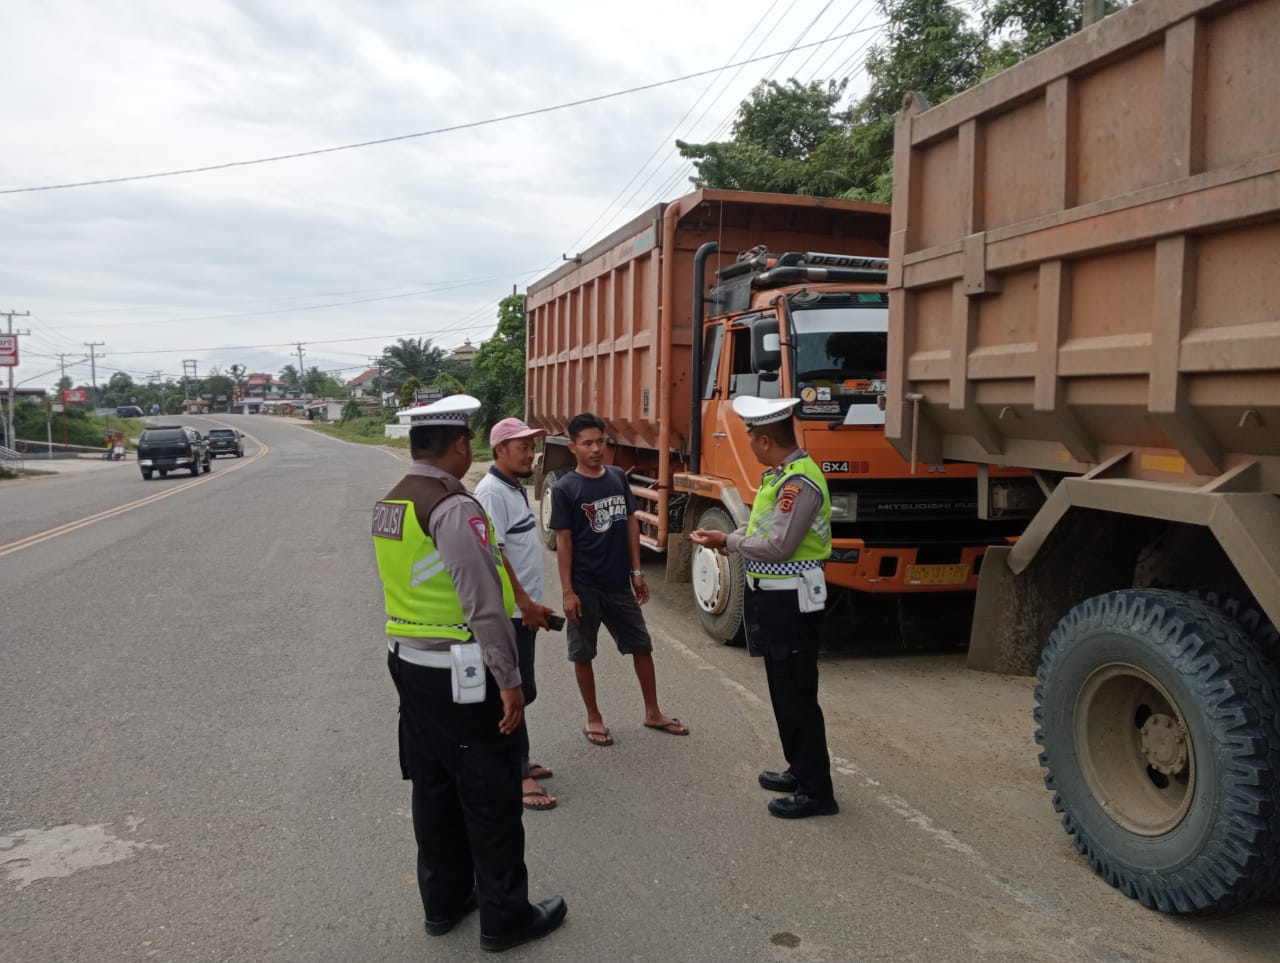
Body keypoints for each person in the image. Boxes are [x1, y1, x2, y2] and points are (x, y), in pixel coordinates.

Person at [372, 394, 567, 953]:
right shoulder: (454, 507)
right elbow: (482, 604)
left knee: (433, 789)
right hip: (464, 675)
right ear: (460, 446)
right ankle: (505, 916)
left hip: (410, 664)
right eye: (470, 444)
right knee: (488, 795)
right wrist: (509, 681)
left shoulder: (392, 503)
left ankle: (444, 901)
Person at [689, 396, 838, 819]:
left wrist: (727, 541)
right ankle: (799, 769)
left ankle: (817, 791)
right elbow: (763, 526)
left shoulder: (799, 483)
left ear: (766, 438)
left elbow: (779, 545)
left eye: (751, 435)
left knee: (797, 693)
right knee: (782, 688)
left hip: (794, 600)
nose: (749, 442)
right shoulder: (780, 476)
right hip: (776, 599)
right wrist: (737, 532)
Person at [548, 411, 688, 746]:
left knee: (642, 645)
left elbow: (630, 522)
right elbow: (564, 541)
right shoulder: (566, 489)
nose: (596, 449)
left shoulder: (616, 478)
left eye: (600, 442)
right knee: (583, 652)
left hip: (617, 584)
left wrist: (637, 573)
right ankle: (593, 717)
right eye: (587, 444)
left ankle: (653, 711)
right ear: (573, 448)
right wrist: (567, 591)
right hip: (585, 585)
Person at [474, 417, 558, 812]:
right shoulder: (491, 492)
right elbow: (496, 554)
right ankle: (515, 771)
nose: (530, 452)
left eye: (531, 445)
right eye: (521, 445)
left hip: (523, 608)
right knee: (514, 693)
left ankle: (517, 758)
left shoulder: (512, 487)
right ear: (499, 451)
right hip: (510, 612)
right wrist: (524, 603)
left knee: (523, 690)